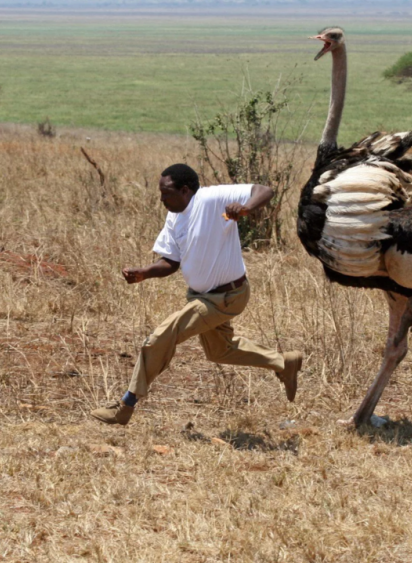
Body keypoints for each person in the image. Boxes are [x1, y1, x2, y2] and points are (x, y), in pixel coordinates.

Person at [90, 163, 303, 426]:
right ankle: (283, 362)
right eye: (160, 193)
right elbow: (171, 262)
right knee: (220, 351)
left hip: (226, 296)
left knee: (158, 339)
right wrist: (145, 272)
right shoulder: (174, 217)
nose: (162, 199)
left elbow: (265, 190)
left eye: (167, 193)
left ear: (186, 190)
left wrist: (245, 208)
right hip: (201, 297)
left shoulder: (211, 199)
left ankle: (125, 406)